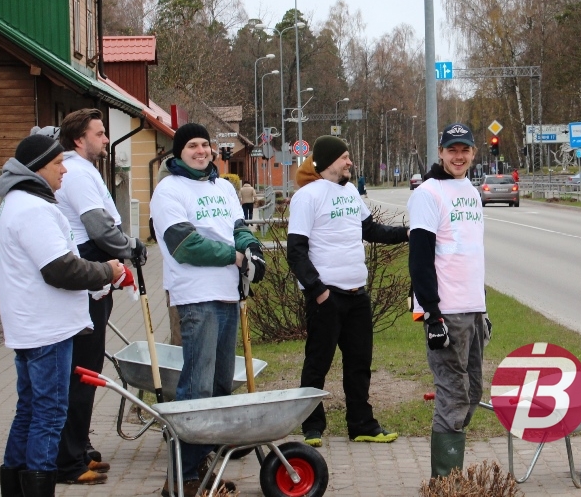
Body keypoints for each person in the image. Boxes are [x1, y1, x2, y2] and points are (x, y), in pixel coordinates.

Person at [0, 134, 128, 497]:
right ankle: (38, 482)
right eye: (57, 164)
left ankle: (15, 485)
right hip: (47, 329)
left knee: (29, 410)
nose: (64, 170)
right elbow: (60, 268)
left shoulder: (17, 203)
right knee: (50, 413)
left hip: (32, 325)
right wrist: (107, 270)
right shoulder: (32, 209)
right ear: (38, 168)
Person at [150, 123, 265, 497]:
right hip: (196, 298)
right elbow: (185, 245)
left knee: (218, 387)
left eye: (205, 144)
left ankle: (202, 469)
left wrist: (252, 249)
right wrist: (235, 257)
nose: (201, 151)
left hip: (228, 295)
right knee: (196, 388)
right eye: (192, 146)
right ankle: (180, 478)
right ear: (179, 152)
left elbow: (238, 227)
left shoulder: (223, 187)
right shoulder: (169, 190)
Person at [287, 136, 409, 447]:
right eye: (344, 157)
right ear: (328, 161)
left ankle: (362, 424)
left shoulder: (351, 191)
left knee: (359, 363)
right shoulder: (307, 197)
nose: (349, 162)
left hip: (358, 295)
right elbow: (296, 250)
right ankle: (312, 426)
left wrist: (407, 233)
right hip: (327, 296)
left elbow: (371, 230)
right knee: (318, 363)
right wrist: (318, 290)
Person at [49, 109, 147, 485]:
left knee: (87, 367)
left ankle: (78, 445)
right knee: (82, 369)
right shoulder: (76, 173)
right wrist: (131, 247)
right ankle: (68, 456)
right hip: (86, 277)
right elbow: (99, 227)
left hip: (95, 277)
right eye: (100, 133)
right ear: (79, 139)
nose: (106, 139)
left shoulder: (83, 170)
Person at [407, 123, 489, 479]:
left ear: (473, 153)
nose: (458, 156)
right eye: (452, 150)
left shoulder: (470, 190)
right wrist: (432, 314)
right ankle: (445, 483)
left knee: (473, 392)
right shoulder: (427, 193)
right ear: (440, 152)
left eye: (464, 150)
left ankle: (450, 476)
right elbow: (420, 258)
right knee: (453, 396)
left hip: (472, 310)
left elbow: (472, 254)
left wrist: (483, 308)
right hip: (446, 311)